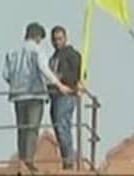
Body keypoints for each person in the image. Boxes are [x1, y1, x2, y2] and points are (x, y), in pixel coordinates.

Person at [2, 22, 74, 173]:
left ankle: (22, 159)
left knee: (21, 128)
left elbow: (6, 75)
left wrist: (16, 83)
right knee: (32, 128)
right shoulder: (37, 50)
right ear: (37, 37)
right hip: (34, 94)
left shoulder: (12, 52)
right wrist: (59, 85)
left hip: (17, 95)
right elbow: (44, 69)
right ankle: (28, 161)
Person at [47, 25, 83, 170]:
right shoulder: (54, 57)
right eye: (55, 40)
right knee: (59, 127)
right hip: (55, 96)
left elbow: (77, 73)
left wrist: (61, 78)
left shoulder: (71, 54)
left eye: (60, 39)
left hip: (66, 95)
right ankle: (66, 159)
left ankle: (68, 160)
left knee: (63, 126)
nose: (57, 42)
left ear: (65, 38)